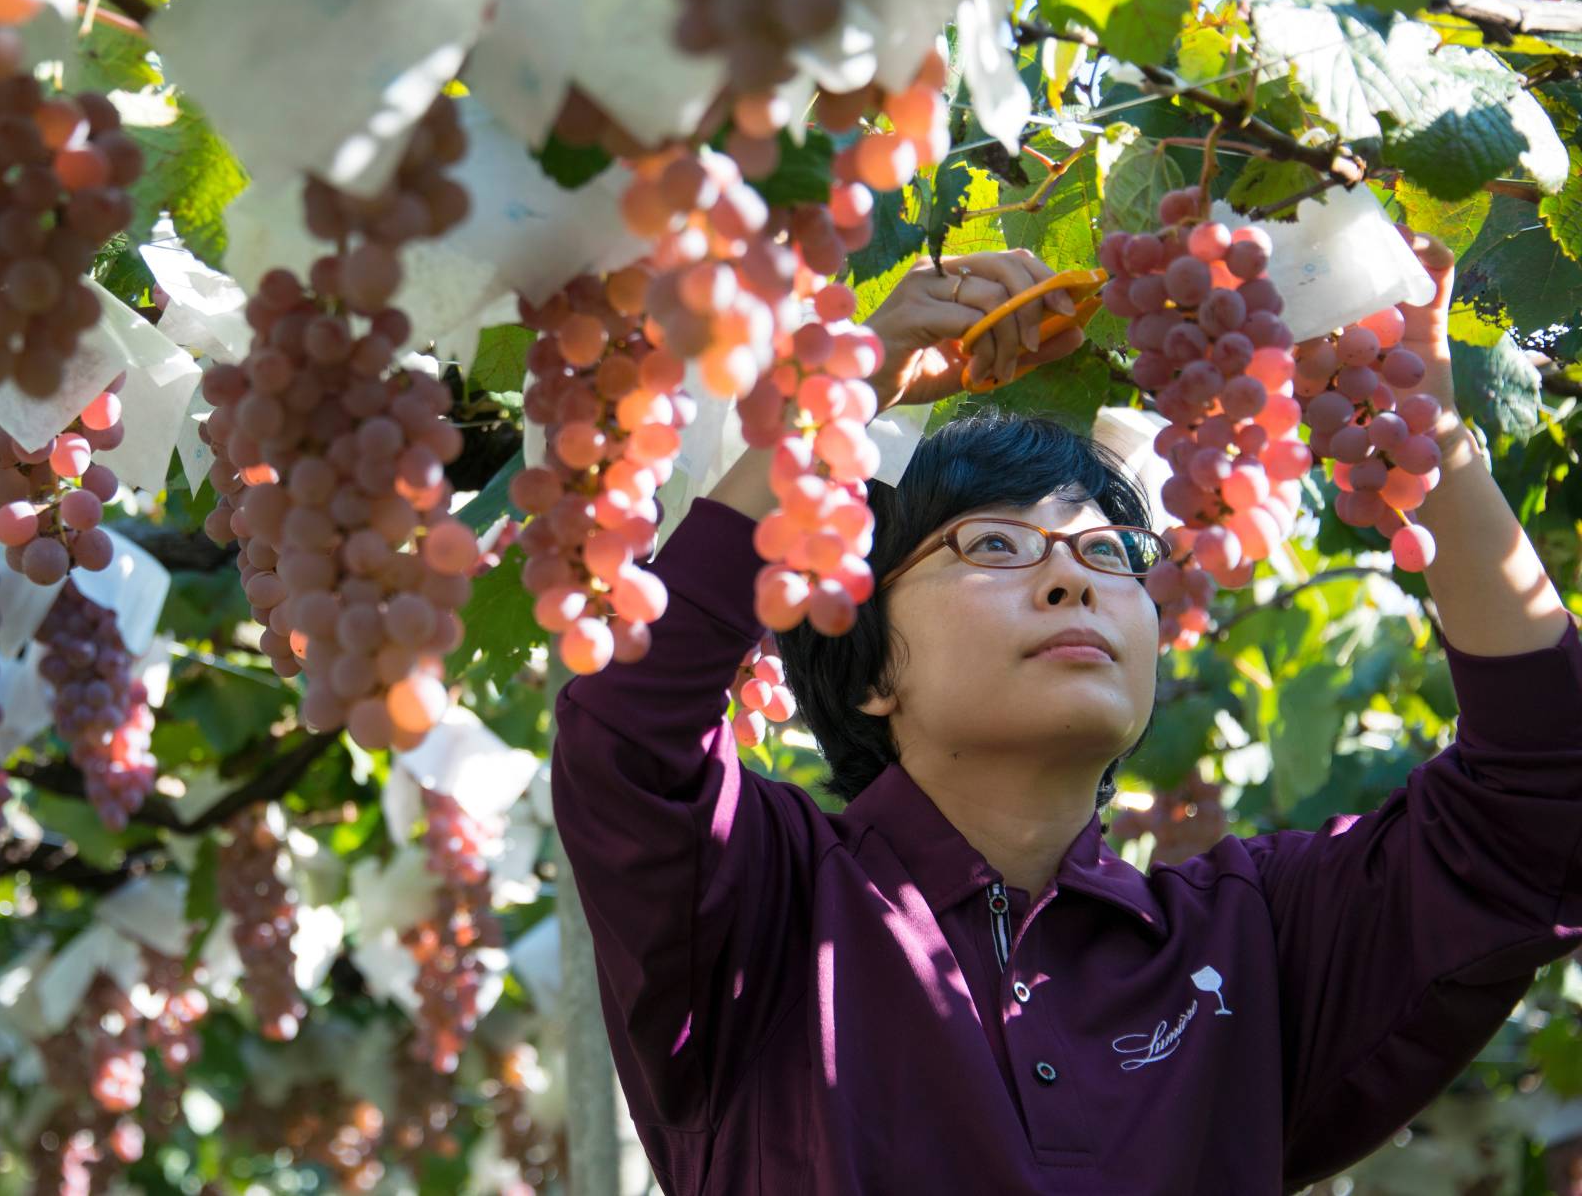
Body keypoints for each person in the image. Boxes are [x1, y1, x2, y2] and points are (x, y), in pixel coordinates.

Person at [550, 244, 1582, 1193]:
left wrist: (1429, 451)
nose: (1067, 578)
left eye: (1108, 556)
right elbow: (628, 729)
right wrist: (843, 403)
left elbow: (1544, 797)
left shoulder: (1251, 936)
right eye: (994, 546)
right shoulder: (767, 908)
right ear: (867, 671)